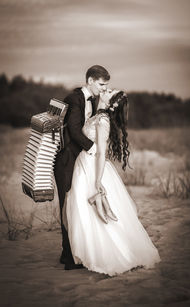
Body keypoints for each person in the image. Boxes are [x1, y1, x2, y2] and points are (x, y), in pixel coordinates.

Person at [62, 89, 161, 276]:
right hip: (84, 164)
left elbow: (101, 152)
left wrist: (97, 181)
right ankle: (91, 252)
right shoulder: (99, 115)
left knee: (95, 211)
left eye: (109, 91)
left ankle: (112, 254)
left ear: (112, 103)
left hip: (93, 168)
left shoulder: (103, 121)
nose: (105, 90)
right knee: (83, 210)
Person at [54, 65, 110, 269]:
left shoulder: (93, 100)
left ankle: (70, 253)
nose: (104, 89)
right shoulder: (74, 99)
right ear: (90, 81)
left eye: (106, 85)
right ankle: (69, 257)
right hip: (66, 160)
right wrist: (94, 148)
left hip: (79, 161)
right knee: (67, 206)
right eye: (101, 84)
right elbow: (75, 131)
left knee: (76, 206)